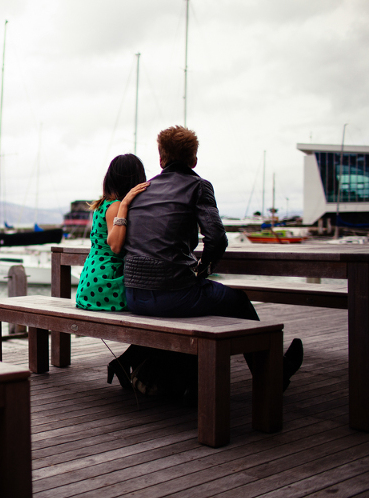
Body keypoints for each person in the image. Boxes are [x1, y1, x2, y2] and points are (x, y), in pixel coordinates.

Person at [121, 125, 303, 398]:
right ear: (194, 159)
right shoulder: (198, 186)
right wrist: (203, 271)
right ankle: (272, 375)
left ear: (161, 159)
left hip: (133, 295)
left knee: (211, 301)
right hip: (172, 295)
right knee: (238, 301)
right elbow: (217, 238)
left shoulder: (141, 191)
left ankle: (192, 375)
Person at [74, 154, 152, 390]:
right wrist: (126, 204)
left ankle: (126, 363)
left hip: (90, 283)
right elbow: (116, 246)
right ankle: (133, 365)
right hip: (107, 284)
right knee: (157, 310)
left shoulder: (101, 204)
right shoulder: (117, 206)